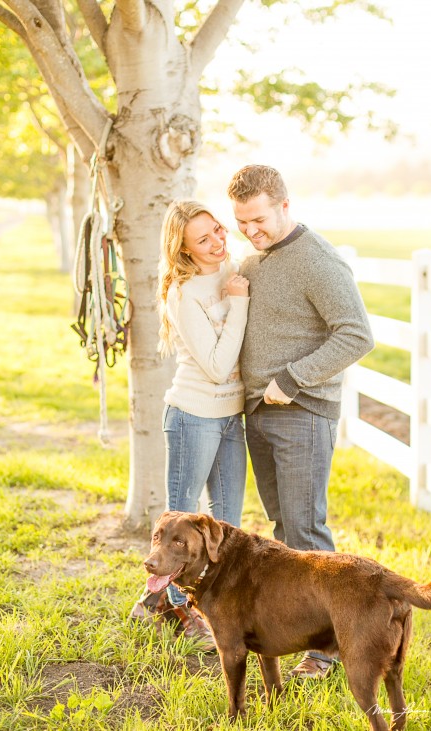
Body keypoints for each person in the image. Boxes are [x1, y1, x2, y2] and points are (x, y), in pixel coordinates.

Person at [229, 164, 374, 679]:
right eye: (242, 221)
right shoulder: (254, 260)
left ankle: (327, 650)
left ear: (284, 205)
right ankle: (294, 631)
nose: (251, 230)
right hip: (257, 413)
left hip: (303, 413)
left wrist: (292, 379)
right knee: (284, 529)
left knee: (306, 528)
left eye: (259, 219)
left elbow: (356, 334)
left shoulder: (318, 260)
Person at [130, 200, 249, 651]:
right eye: (203, 239)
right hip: (193, 414)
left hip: (230, 415)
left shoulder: (233, 269)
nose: (217, 242)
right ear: (183, 249)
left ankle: (161, 603)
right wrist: (238, 305)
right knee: (180, 522)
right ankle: (178, 606)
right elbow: (218, 367)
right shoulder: (184, 292)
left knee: (225, 525)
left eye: (218, 230)